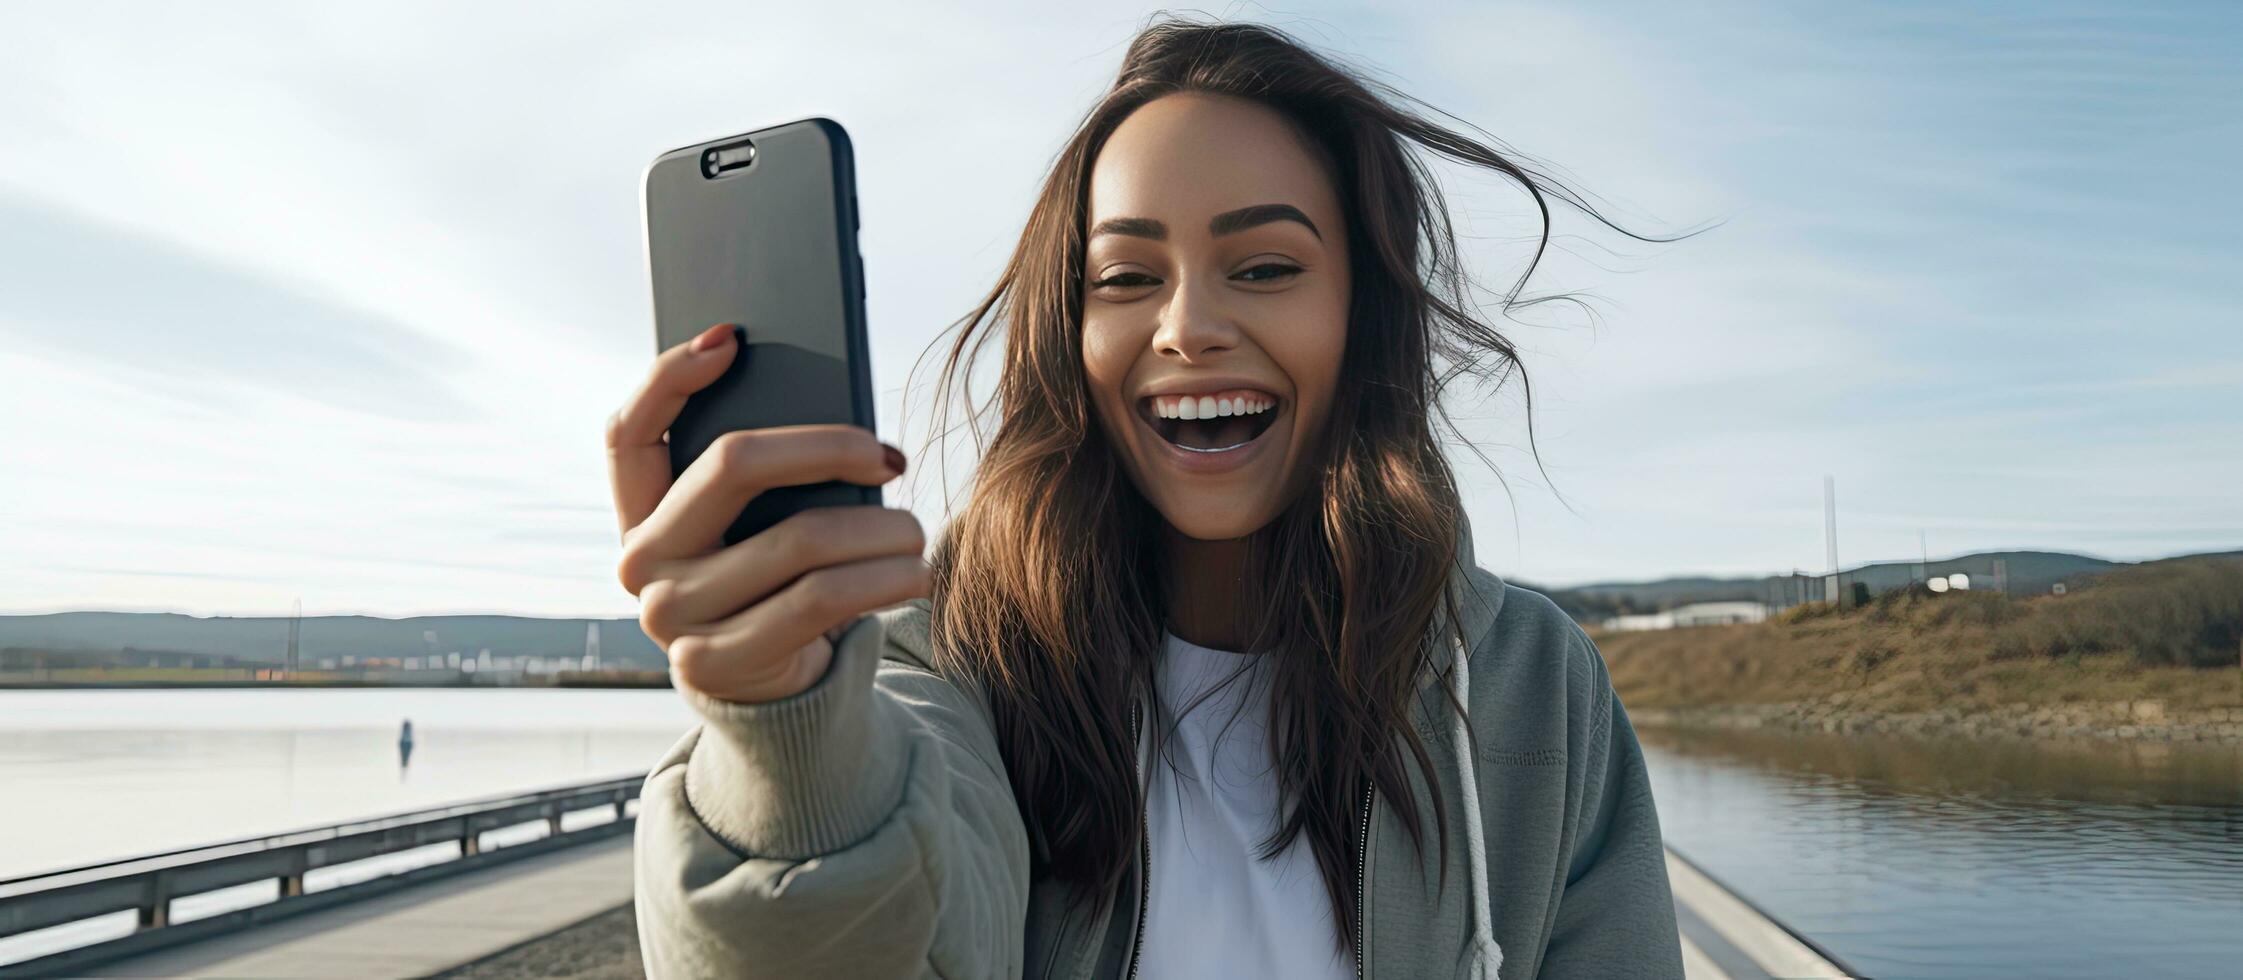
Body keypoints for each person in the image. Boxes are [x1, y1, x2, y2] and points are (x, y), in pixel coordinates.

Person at [607, 18, 1684, 980]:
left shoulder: (1532, 688)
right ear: (1062, 335)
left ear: (1363, 315)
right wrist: (785, 736)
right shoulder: (952, 670)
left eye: (1263, 267)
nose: (1183, 326)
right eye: (1123, 278)